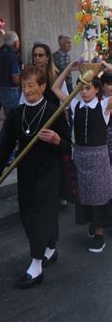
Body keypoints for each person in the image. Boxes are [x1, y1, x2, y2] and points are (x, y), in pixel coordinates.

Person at [0, 66, 70, 289]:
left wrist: (56, 140)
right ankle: (50, 248)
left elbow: (67, 147)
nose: (27, 90)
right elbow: (4, 146)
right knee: (27, 214)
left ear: (43, 87)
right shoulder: (16, 114)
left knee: (41, 215)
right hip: (26, 173)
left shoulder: (54, 111)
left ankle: (36, 265)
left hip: (49, 172)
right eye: (24, 86)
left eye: (32, 85)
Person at [52, 61, 112, 253]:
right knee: (85, 195)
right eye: (81, 88)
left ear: (97, 89)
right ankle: (92, 224)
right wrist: (69, 68)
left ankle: (99, 235)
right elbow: (55, 87)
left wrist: (105, 66)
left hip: (99, 157)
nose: (83, 92)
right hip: (81, 156)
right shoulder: (76, 105)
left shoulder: (104, 106)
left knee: (99, 196)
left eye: (87, 88)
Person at [0, 31, 22, 158]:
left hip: (1, 90)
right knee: (13, 123)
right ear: (15, 43)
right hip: (12, 91)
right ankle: (7, 155)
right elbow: (15, 78)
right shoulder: (12, 55)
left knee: (9, 121)